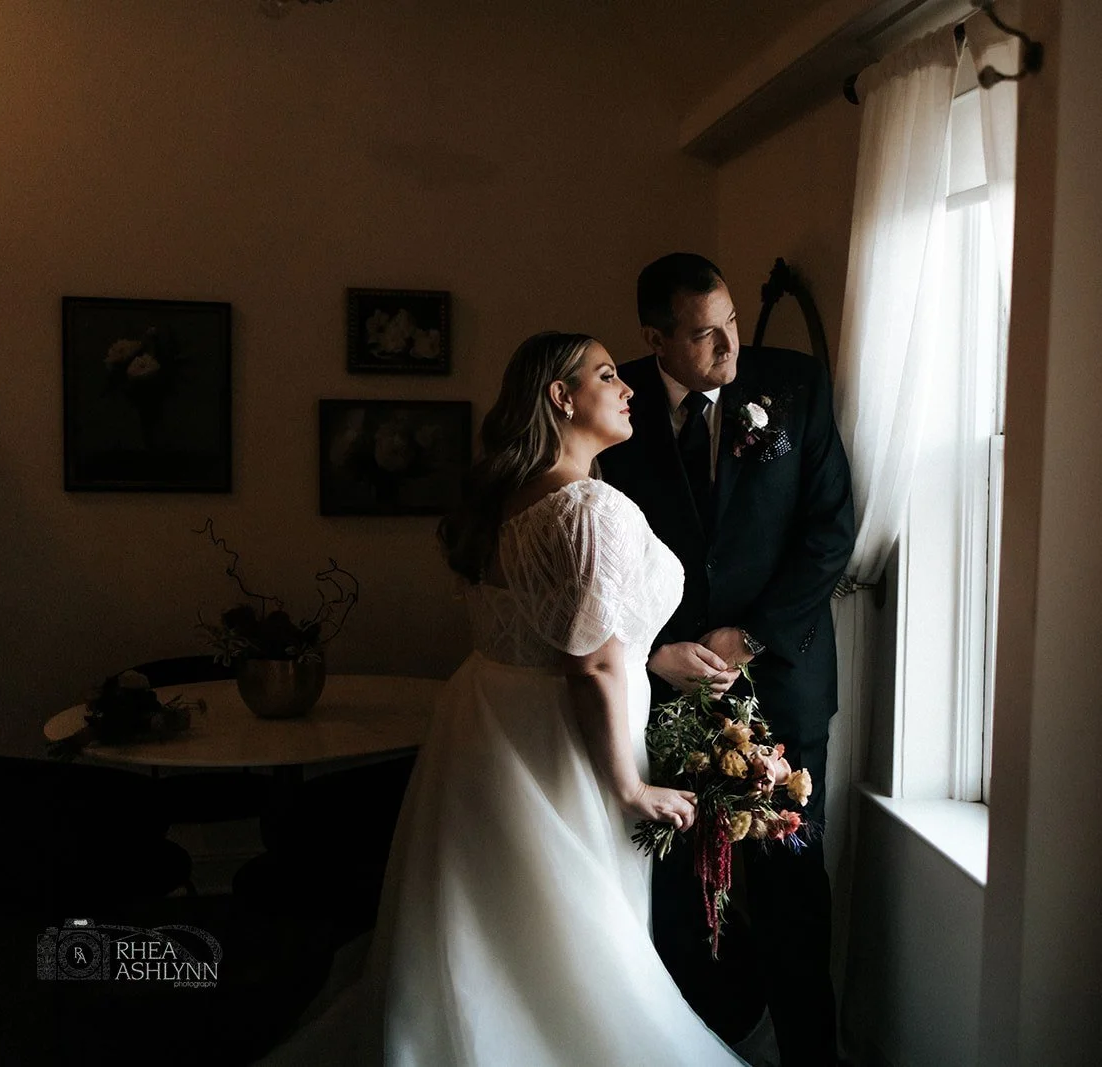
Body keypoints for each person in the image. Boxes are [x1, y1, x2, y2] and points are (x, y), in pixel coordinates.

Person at [257, 331, 745, 1066]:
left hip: (485, 726)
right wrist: (628, 785)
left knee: (490, 928)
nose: (628, 388)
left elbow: (547, 634)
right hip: (564, 747)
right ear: (561, 396)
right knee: (578, 940)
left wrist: (652, 655)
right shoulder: (591, 507)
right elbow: (587, 668)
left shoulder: (502, 502)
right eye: (607, 375)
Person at [598, 253, 854, 1065]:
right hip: (664, 688)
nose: (728, 347)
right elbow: (597, 563)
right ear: (656, 338)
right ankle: (693, 1048)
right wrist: (651, 654)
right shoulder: (617, 402)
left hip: (781, 681)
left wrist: (750, 637)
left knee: (790, 888)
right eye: (705, 334)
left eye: (733, 322)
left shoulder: (796, 386)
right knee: (674, 889)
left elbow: (830, 534)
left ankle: (811, 1056)